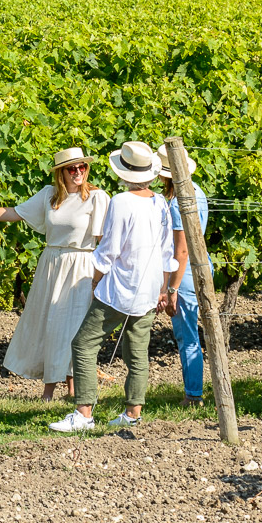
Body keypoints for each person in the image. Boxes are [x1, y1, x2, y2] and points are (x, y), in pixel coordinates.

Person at [0, 147, 109, 401]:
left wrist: (98, 279)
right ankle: (49, 392)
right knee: (50, 324)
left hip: (81, 265)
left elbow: (103, 241)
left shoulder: (96, 197)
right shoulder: (50, 196)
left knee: (73, 327)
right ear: (61, 173)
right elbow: (14, 212)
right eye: (72, 168)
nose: (78, 172)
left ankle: (73, 390)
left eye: (82, 167)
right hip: (51, 264)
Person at [50, 141, 182, 432]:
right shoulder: (159, 202)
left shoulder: (121, 202)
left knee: (83, 345)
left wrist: (95, 282)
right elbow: (165, 250)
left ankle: (83, 414)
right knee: (137, 352)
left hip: (119, 289)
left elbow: (108, 251)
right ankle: (133, 413)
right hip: (148, 290)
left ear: (124, 172)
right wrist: (162, 289)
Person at [158, 145, 209, 407]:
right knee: (193, 333)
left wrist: (171, 288)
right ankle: (194, 391)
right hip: (201, 269)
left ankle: (193, 395)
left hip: (184, 276)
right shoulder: (197, 191)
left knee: (187, 335)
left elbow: (182, 250)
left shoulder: (179, 202)